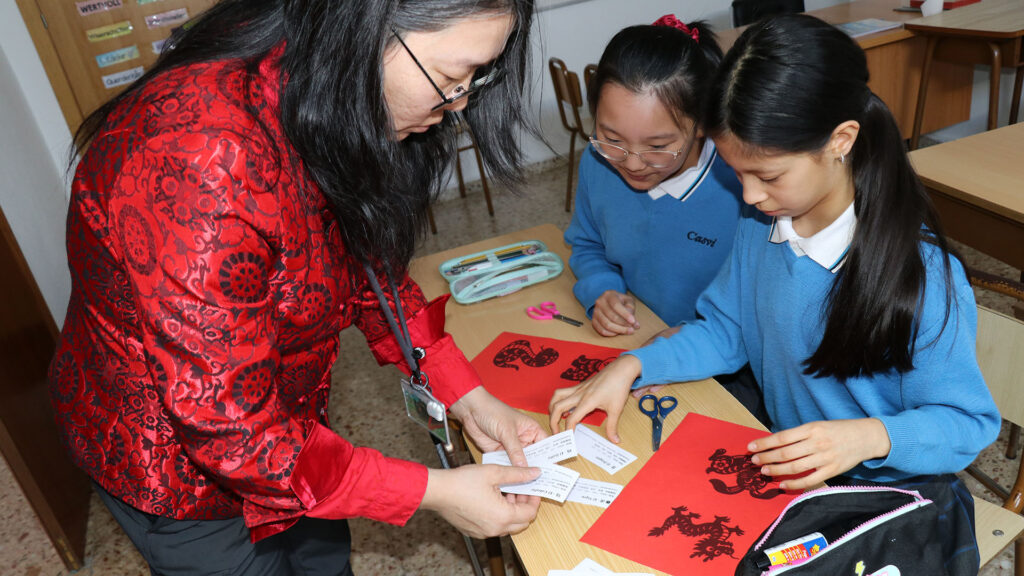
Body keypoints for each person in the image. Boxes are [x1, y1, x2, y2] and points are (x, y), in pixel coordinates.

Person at [48, 1, 546, 574]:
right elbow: (231, 429)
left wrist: (470, 398)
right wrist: (429, 492)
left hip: (289, 425)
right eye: (452, 79)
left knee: (324, 558)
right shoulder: (198, 160)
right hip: (174, 468)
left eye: (474, 81)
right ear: (365, 31)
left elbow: (368, 270)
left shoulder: (320, 83)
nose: (458, 105)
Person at [549, 14, 1000, 575]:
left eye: (767, 175)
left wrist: (869, 437)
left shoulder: (921, 272)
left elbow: (967, 424)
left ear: (840, 141)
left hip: (888, 498)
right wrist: (635, 364)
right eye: (738, 173)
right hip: (793, 480)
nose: (749, 194)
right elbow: (728, 329)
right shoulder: (763, 223)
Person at [564, 15, 743, 337]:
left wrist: (698, 338)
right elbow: (588, 243)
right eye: (612, 138)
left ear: (703, 123)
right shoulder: (599, 161)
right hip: (639, 336)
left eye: (657, 146)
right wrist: (602, 291)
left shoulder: (744, 188)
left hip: (725, 363)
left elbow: (762, 302)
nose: (632, 164)